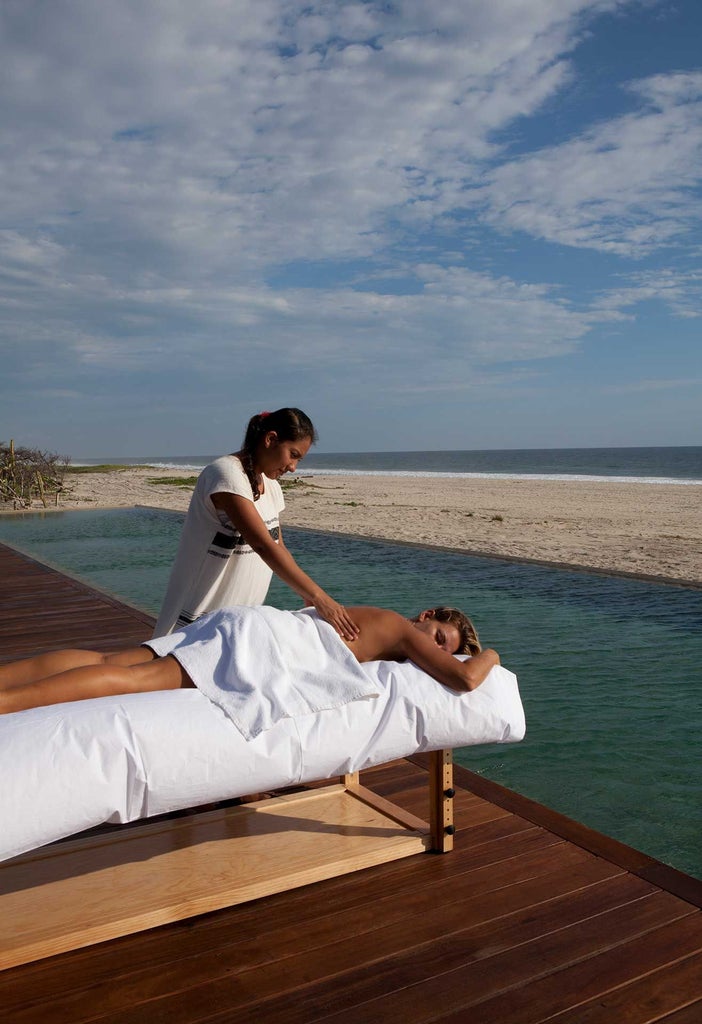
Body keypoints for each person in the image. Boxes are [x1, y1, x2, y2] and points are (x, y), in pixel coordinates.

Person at [0, 605, 500, 715]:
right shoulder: (402, 630)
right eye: (440, 636)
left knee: (110, 657)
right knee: (133, 680)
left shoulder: (383, 620)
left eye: (441, 646)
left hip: (250, 622)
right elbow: (465, 680)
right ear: (427, 615)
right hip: (258, 640)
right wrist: (491, 654)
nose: (435, 649)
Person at [153, 408, 359, 641]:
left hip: (232, 627)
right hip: (194, 624)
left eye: (298, 460)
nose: (293, 467)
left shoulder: (271, 486)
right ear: (270, 439)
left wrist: (306, 593)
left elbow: (278, 545)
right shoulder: (226, 474)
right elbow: (263, 546)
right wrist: (321, 598)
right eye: (292, 454)